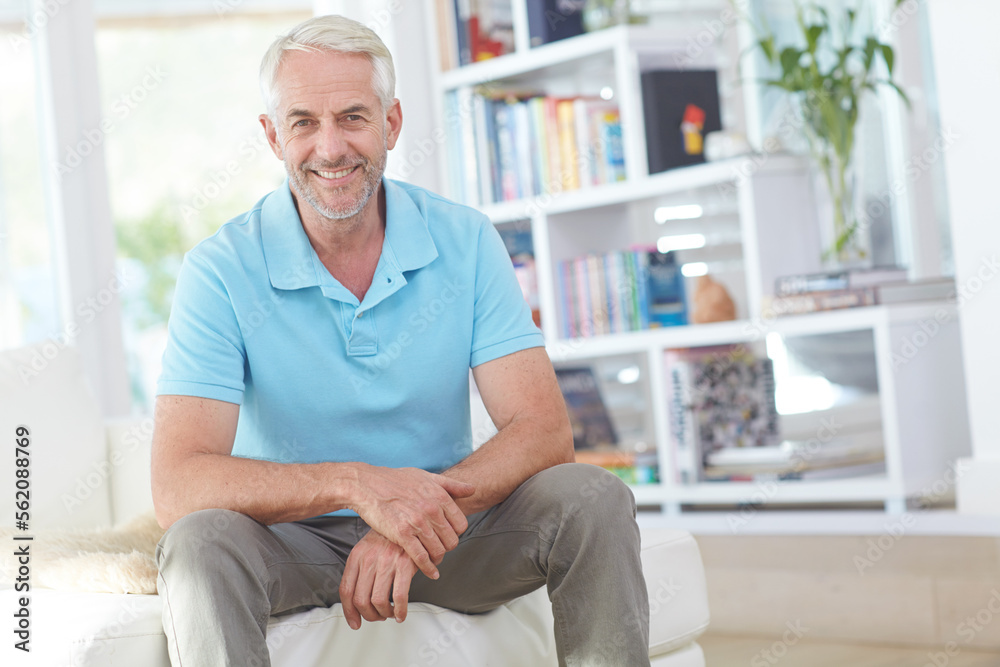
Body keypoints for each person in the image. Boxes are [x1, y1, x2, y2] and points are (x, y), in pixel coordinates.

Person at [151, 14, 648, 667]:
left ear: (392, 123)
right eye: (303, 122)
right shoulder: (219, 270)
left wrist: (412, 522)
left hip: (449, 535)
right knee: (196, 541)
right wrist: (359, 485)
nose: (330, 147)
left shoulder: (465, 240)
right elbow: (178, 483)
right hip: (290, 541)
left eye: (353, 117)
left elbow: (542, 429)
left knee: (595, 496)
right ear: (273, 136)